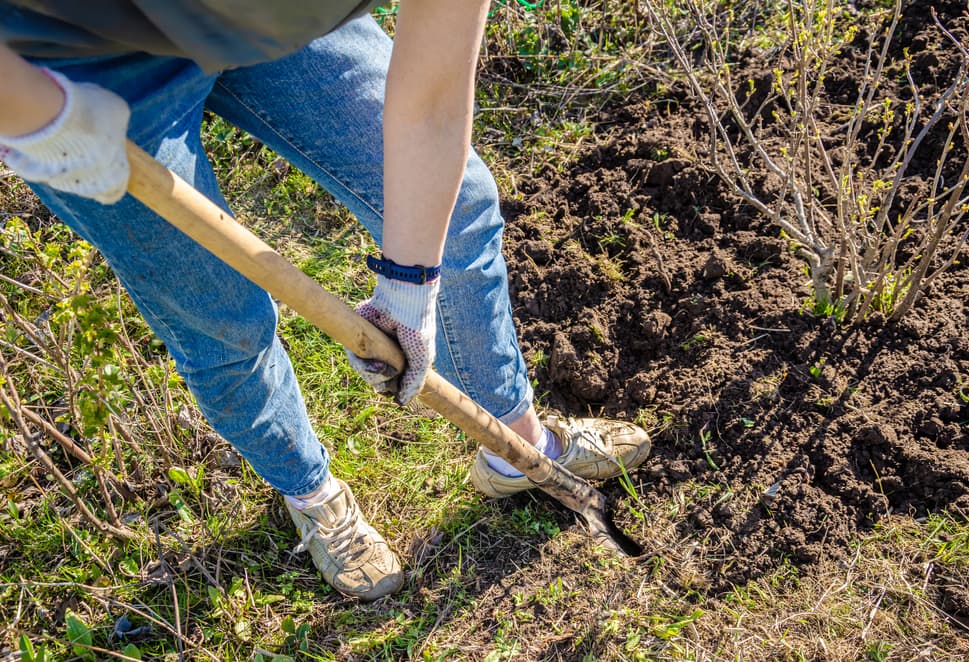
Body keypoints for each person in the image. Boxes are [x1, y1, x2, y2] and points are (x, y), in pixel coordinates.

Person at [0, 0, 651, 602]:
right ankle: (312, 495)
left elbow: (432, 106)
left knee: (457, 211)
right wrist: (32, 112)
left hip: (279, 26)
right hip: (71, 59)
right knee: (220, 316)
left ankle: (514, 443)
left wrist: (411, 280)